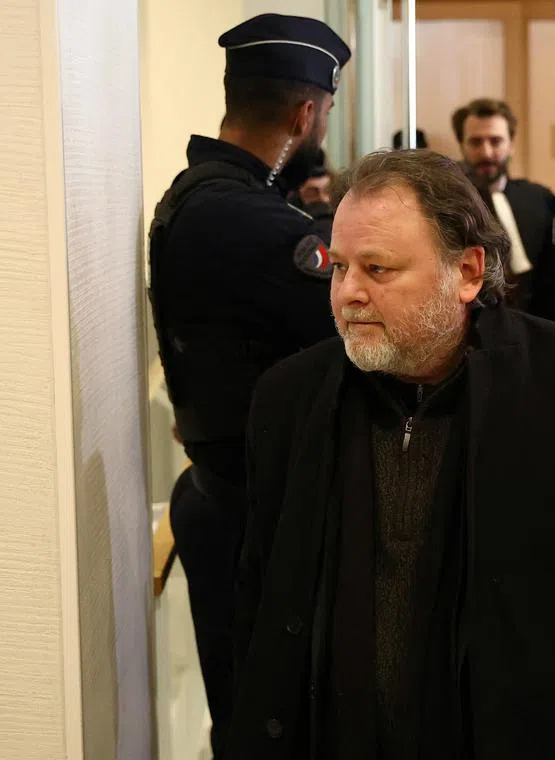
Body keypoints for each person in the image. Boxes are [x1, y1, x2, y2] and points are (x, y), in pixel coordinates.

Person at [227, 149, 555, 759]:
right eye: (338, 269)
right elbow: (262, 613)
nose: (348, 295)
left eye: (378, 269)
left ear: (467, 272)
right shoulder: (291, 400)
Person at [147, 14, 350, 756]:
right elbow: (350, 350)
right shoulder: (262, 224)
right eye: (325, 108)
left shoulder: (191, 194)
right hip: (259, 514)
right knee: (275, 726)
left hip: (218, 490)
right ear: (306, 112)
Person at [450, 98, 555, 315]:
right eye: (476, 142)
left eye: (495, 141)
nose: (486, 153)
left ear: (511, 144)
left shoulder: (541, 198)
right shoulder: (450, 204)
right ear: (462, 146)